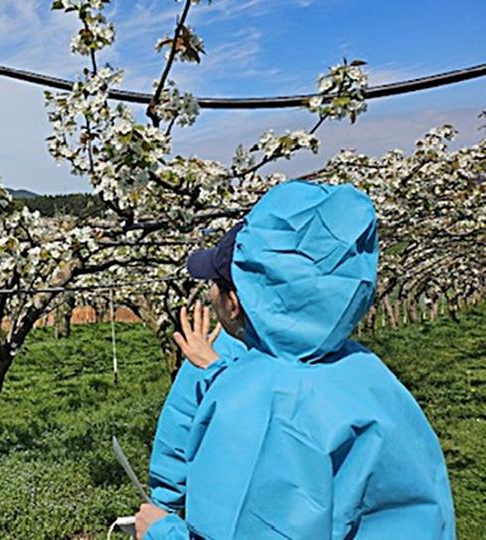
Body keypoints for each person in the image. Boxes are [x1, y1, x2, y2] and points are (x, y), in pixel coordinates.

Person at [136, 181, 455, 539]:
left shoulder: (264, 406)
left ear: (237, 301)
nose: (209, 293)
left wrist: (161, 533)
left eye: (215, 283)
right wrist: (220, 372)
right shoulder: (364, 372)